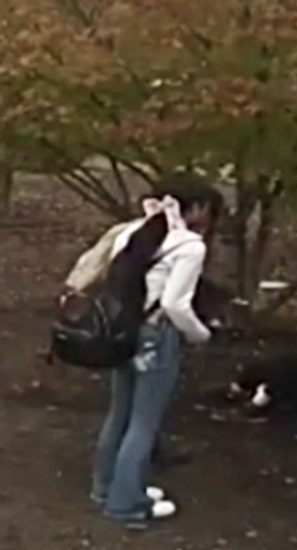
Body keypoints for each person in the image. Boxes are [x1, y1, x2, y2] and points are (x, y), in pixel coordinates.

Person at [77, 177, 224, 528]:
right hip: (157, 335)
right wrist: (201, 334)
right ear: (199, 208)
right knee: (144, 422)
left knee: (120, 413)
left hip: (123, 331)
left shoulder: (131, 234)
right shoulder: (189, 246)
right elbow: (175, 304)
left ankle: (107, 487)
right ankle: (126, 503)